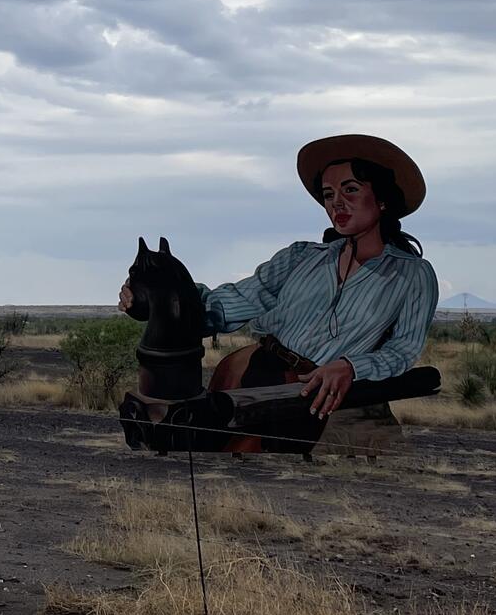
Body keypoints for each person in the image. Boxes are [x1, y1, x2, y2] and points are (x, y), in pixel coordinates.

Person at [119, 134, 437, 421]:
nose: (337, 202)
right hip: (252, 368)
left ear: (381, 199)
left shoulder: (412, 275)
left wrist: (351, 367)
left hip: (315, 389)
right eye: (328, 194)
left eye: (350, 189)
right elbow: (231, 304)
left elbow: (403, 350)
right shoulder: (300, 257)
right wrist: (161, 297)